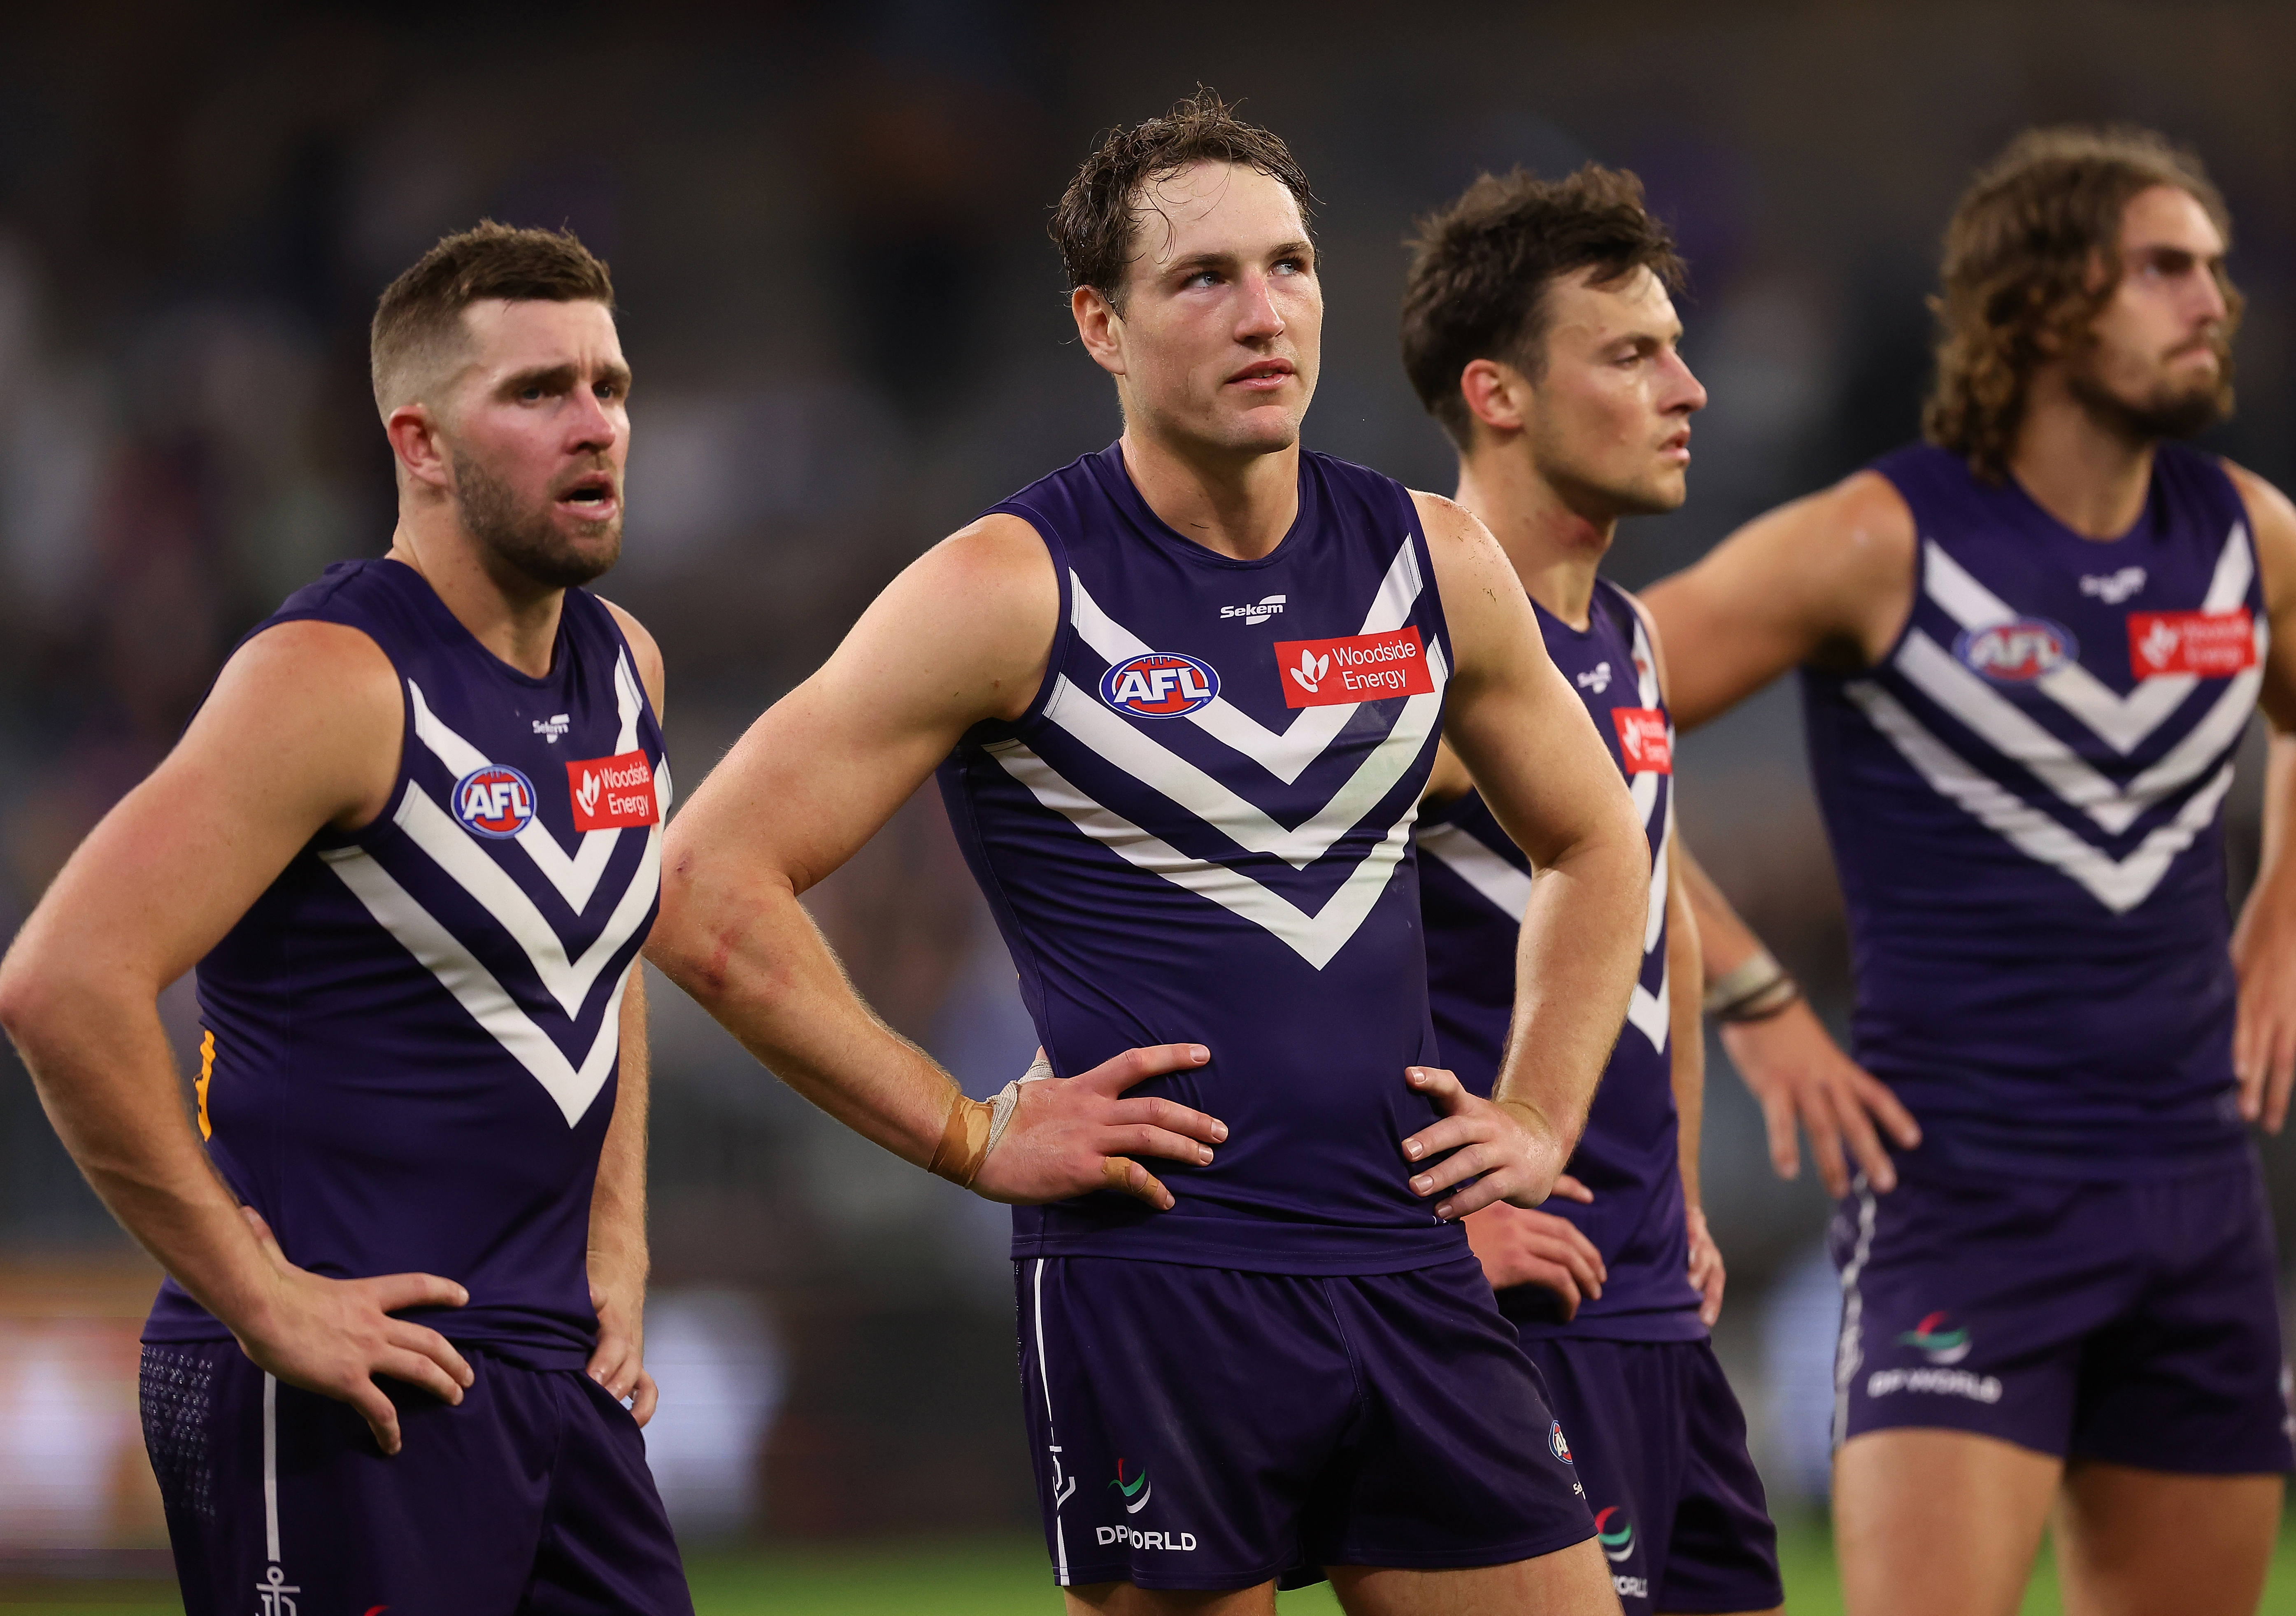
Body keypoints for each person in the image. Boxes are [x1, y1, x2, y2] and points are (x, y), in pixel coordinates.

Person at [647, 93, 1651, 1615]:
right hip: (1159, 1285)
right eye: (1203, 280)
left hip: (1409, 1264)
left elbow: (1593, 840)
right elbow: (700, 888)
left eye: (1291, 266)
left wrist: (1542, 1112)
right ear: (1099, 326)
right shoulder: (1005, 587)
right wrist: (965, 1134)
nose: (1265, 313)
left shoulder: (1433, 561)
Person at [1641, 127, 2296, 1616]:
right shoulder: (1874, 541)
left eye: (2217, 269)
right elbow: (1584, 715)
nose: (2213, 299)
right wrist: (1754, 994)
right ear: (2042, 308)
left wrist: (2287, 921)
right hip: (1960, 1204)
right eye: (2166, 268)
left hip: (2197, 1203)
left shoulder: (2247, 537)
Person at [0, 223, 691, 1615]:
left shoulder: (627, 668)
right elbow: (62, 982)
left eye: (610, 387)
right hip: (341, 1388)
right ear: (420, 444)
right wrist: (260, 1300)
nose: (595, 425)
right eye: (538, 391)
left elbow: (600, 952)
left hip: (553, 1369)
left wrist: (617, 1232)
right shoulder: (331, 677)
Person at [1398, 165, 1787, 1616]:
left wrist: (1677, 1189)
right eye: (1631, 356)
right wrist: (1443, 1223)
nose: (1687, 389)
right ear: (1497, 394)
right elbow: (1298, 964)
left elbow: (1653, 920)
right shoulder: (1416, 649)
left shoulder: (1627, 636)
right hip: (1517, 1304)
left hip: (1647, 1294)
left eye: (1676, 348)